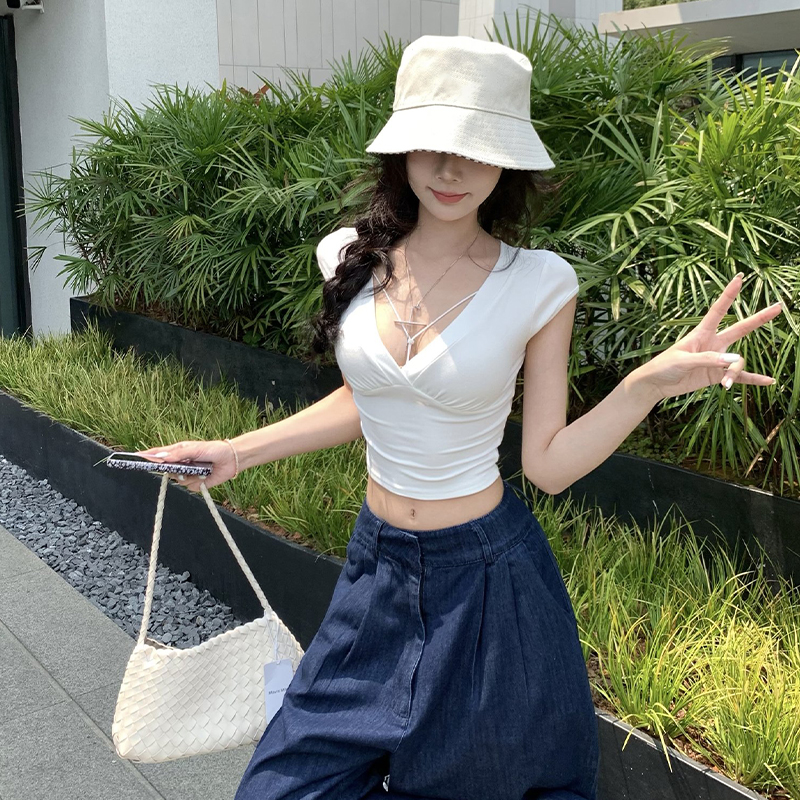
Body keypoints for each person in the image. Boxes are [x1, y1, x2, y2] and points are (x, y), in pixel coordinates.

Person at [134, 35, 782, 800]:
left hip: (486, 582)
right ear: (402, 148)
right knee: (282, 787)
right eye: (434, 145)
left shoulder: (539, 282)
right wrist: (237, 451)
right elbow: (366, 400)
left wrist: (643, 386)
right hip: (375, 571)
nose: (451, 170)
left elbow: (547, 465)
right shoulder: (347, 255)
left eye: (477, 151)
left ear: (506, 163)